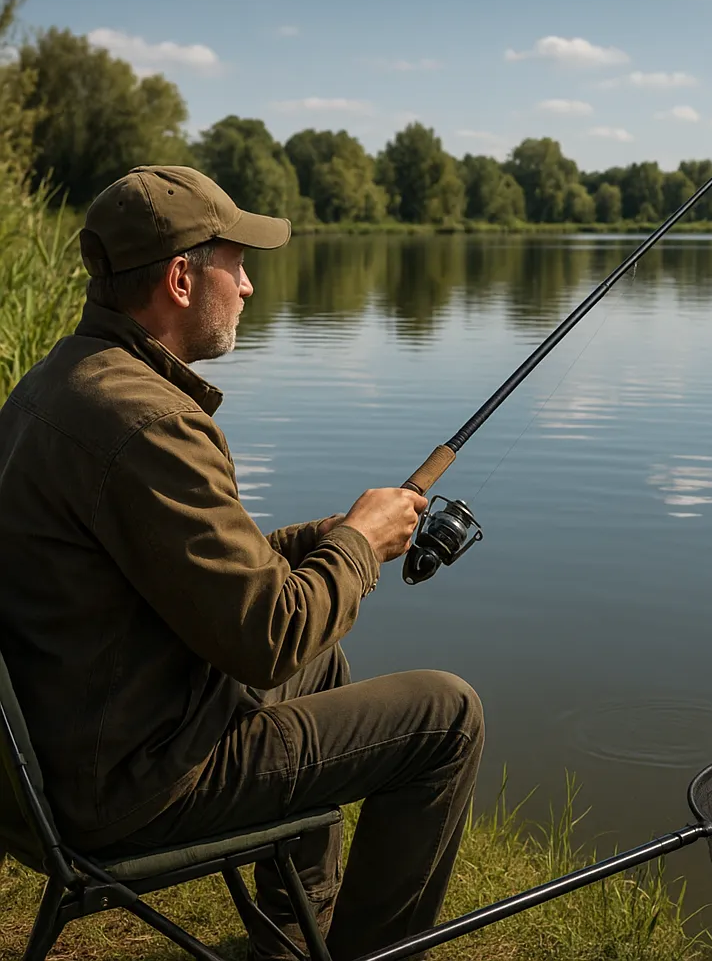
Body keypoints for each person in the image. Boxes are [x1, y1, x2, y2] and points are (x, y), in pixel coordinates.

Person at [0, 165, 485, 961]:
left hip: (59, 762)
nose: (251, 287)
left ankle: (293, 933)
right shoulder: (152, 424)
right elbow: (267, 636)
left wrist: (333, 534)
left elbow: (206, 580)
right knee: (447, 715)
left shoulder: (57, 383)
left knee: (323, 661)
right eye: (238, 264)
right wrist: (359, 547)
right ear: (183, 278)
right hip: (126, 785)